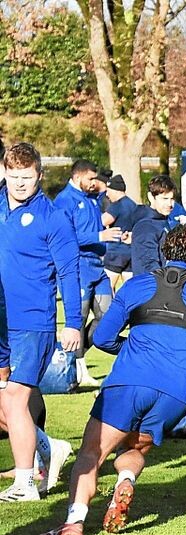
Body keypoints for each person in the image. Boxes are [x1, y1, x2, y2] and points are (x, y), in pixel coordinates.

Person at [41, 225, 186, 535]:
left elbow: (102, 337)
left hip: (130, 381)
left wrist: (130, 349)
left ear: (165, 253)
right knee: (136, 447)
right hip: (177, 392)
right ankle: (127, 480)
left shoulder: (138, 285)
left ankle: (74, 523)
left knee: (92, 453)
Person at [0, 143, 82, 502]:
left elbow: (69, 272)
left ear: (40, 176)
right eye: (14, 176)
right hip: (1, 321)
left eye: (27, 178)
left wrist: (74, 322)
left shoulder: (53, 218)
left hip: (32, 323)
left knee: (16, 398)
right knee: (5, 401)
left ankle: (26, 483)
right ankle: (50, 447)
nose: (19, 184)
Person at [53, 159, 124, 387]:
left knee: (110, 316)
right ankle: (77, 370)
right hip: (79, 268)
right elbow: (64, 238)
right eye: (91, 178)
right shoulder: (65, 201)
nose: (95, 183)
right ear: (77, 177)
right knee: (78, 317)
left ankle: (77, 354)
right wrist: (98, 237)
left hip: (97, 267)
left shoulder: (91, 199)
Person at [130, 175, 183, 275]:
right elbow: (148, 264)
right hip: (153, 286)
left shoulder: (164, 221)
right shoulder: (146, 226)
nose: (170, 204)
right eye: (164, 198)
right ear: (151, 197)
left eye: (172, 199)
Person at [101, 174, 140, 289]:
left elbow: (103, 221)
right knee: (129, 287)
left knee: (107, 287)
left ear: (115, 190)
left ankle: (110, 307)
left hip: (116, 252)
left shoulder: (116, 206)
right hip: (130, 252)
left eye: (108, 191)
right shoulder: (133, 204)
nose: (107, 195)